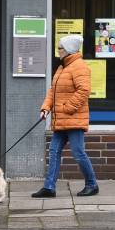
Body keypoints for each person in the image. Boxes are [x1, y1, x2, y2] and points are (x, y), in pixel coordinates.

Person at [32, 35, 99, 198]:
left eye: (60, 48)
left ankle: (92, 184)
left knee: (78, 152)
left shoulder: (79, 67)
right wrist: (46, 107)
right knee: (54, 151)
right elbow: (52, 91)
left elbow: (84, 91)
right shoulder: (63, 67)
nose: (58, 51)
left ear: (68, 50)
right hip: (61, 120)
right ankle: (49, 187)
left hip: (73, 119)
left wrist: (66, 108)